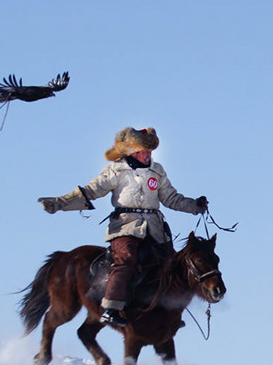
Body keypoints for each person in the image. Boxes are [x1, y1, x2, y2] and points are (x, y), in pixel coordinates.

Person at [39, 127, 208, 327]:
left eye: (150, 152)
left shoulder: (157, 171)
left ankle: (170, 312)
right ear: (133, 152)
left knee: (172, 264)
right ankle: (111, 307)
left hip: (155, 228)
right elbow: (92, 190)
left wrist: (194, 206)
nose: (149, 155)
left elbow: (171, 198)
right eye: (145, 151)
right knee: (126, 259)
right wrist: (60, 202)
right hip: (126, 226)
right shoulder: (116, 170)